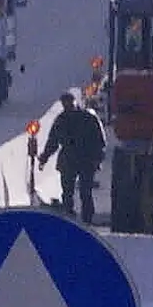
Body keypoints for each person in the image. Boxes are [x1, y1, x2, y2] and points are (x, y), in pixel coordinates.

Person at [37, 91, 106, 223]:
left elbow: (99, 141)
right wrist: (44, 157)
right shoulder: (75, 118)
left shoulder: (79, 118)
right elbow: (53, 142)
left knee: (81, 192)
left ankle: (80, 219)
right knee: (74, 192)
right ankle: (77, 218)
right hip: (78, 160)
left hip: (79, 159)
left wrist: (44, 157)